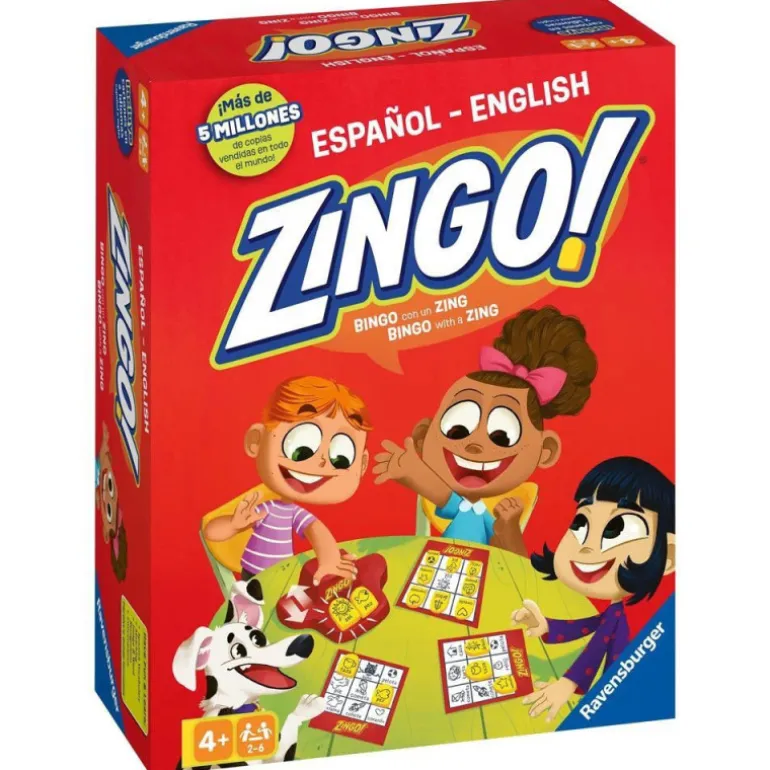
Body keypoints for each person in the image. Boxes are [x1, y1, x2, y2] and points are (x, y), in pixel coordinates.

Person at [373, 306, 597, 552]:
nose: (474, 444)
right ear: (423, 436)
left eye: (501, 436)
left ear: (545, 451)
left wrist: (509, 527)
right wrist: (411, 474)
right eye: (457, 429)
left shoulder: (487, 517)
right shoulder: (462, 508)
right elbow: (440, 493)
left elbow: (515, 563)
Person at [513, 457, 675, 722]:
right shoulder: (613, 613)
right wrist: (546, 626)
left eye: (617, 528)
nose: (587, 546)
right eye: (581, 524)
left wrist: (566, 685)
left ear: (668, 556)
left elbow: (596, 649)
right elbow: (590, 626)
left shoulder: (633, 622)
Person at [204, 376, 372, 586]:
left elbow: (316, 530)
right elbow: (211, 533)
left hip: (283, 574)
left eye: (340, 457)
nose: (321, 461)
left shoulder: (294, 513)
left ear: (362, 464)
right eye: (302, 448)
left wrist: (330, 561)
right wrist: (234, 525)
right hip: (253, 576)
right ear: (256, 441)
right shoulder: (265, 509)